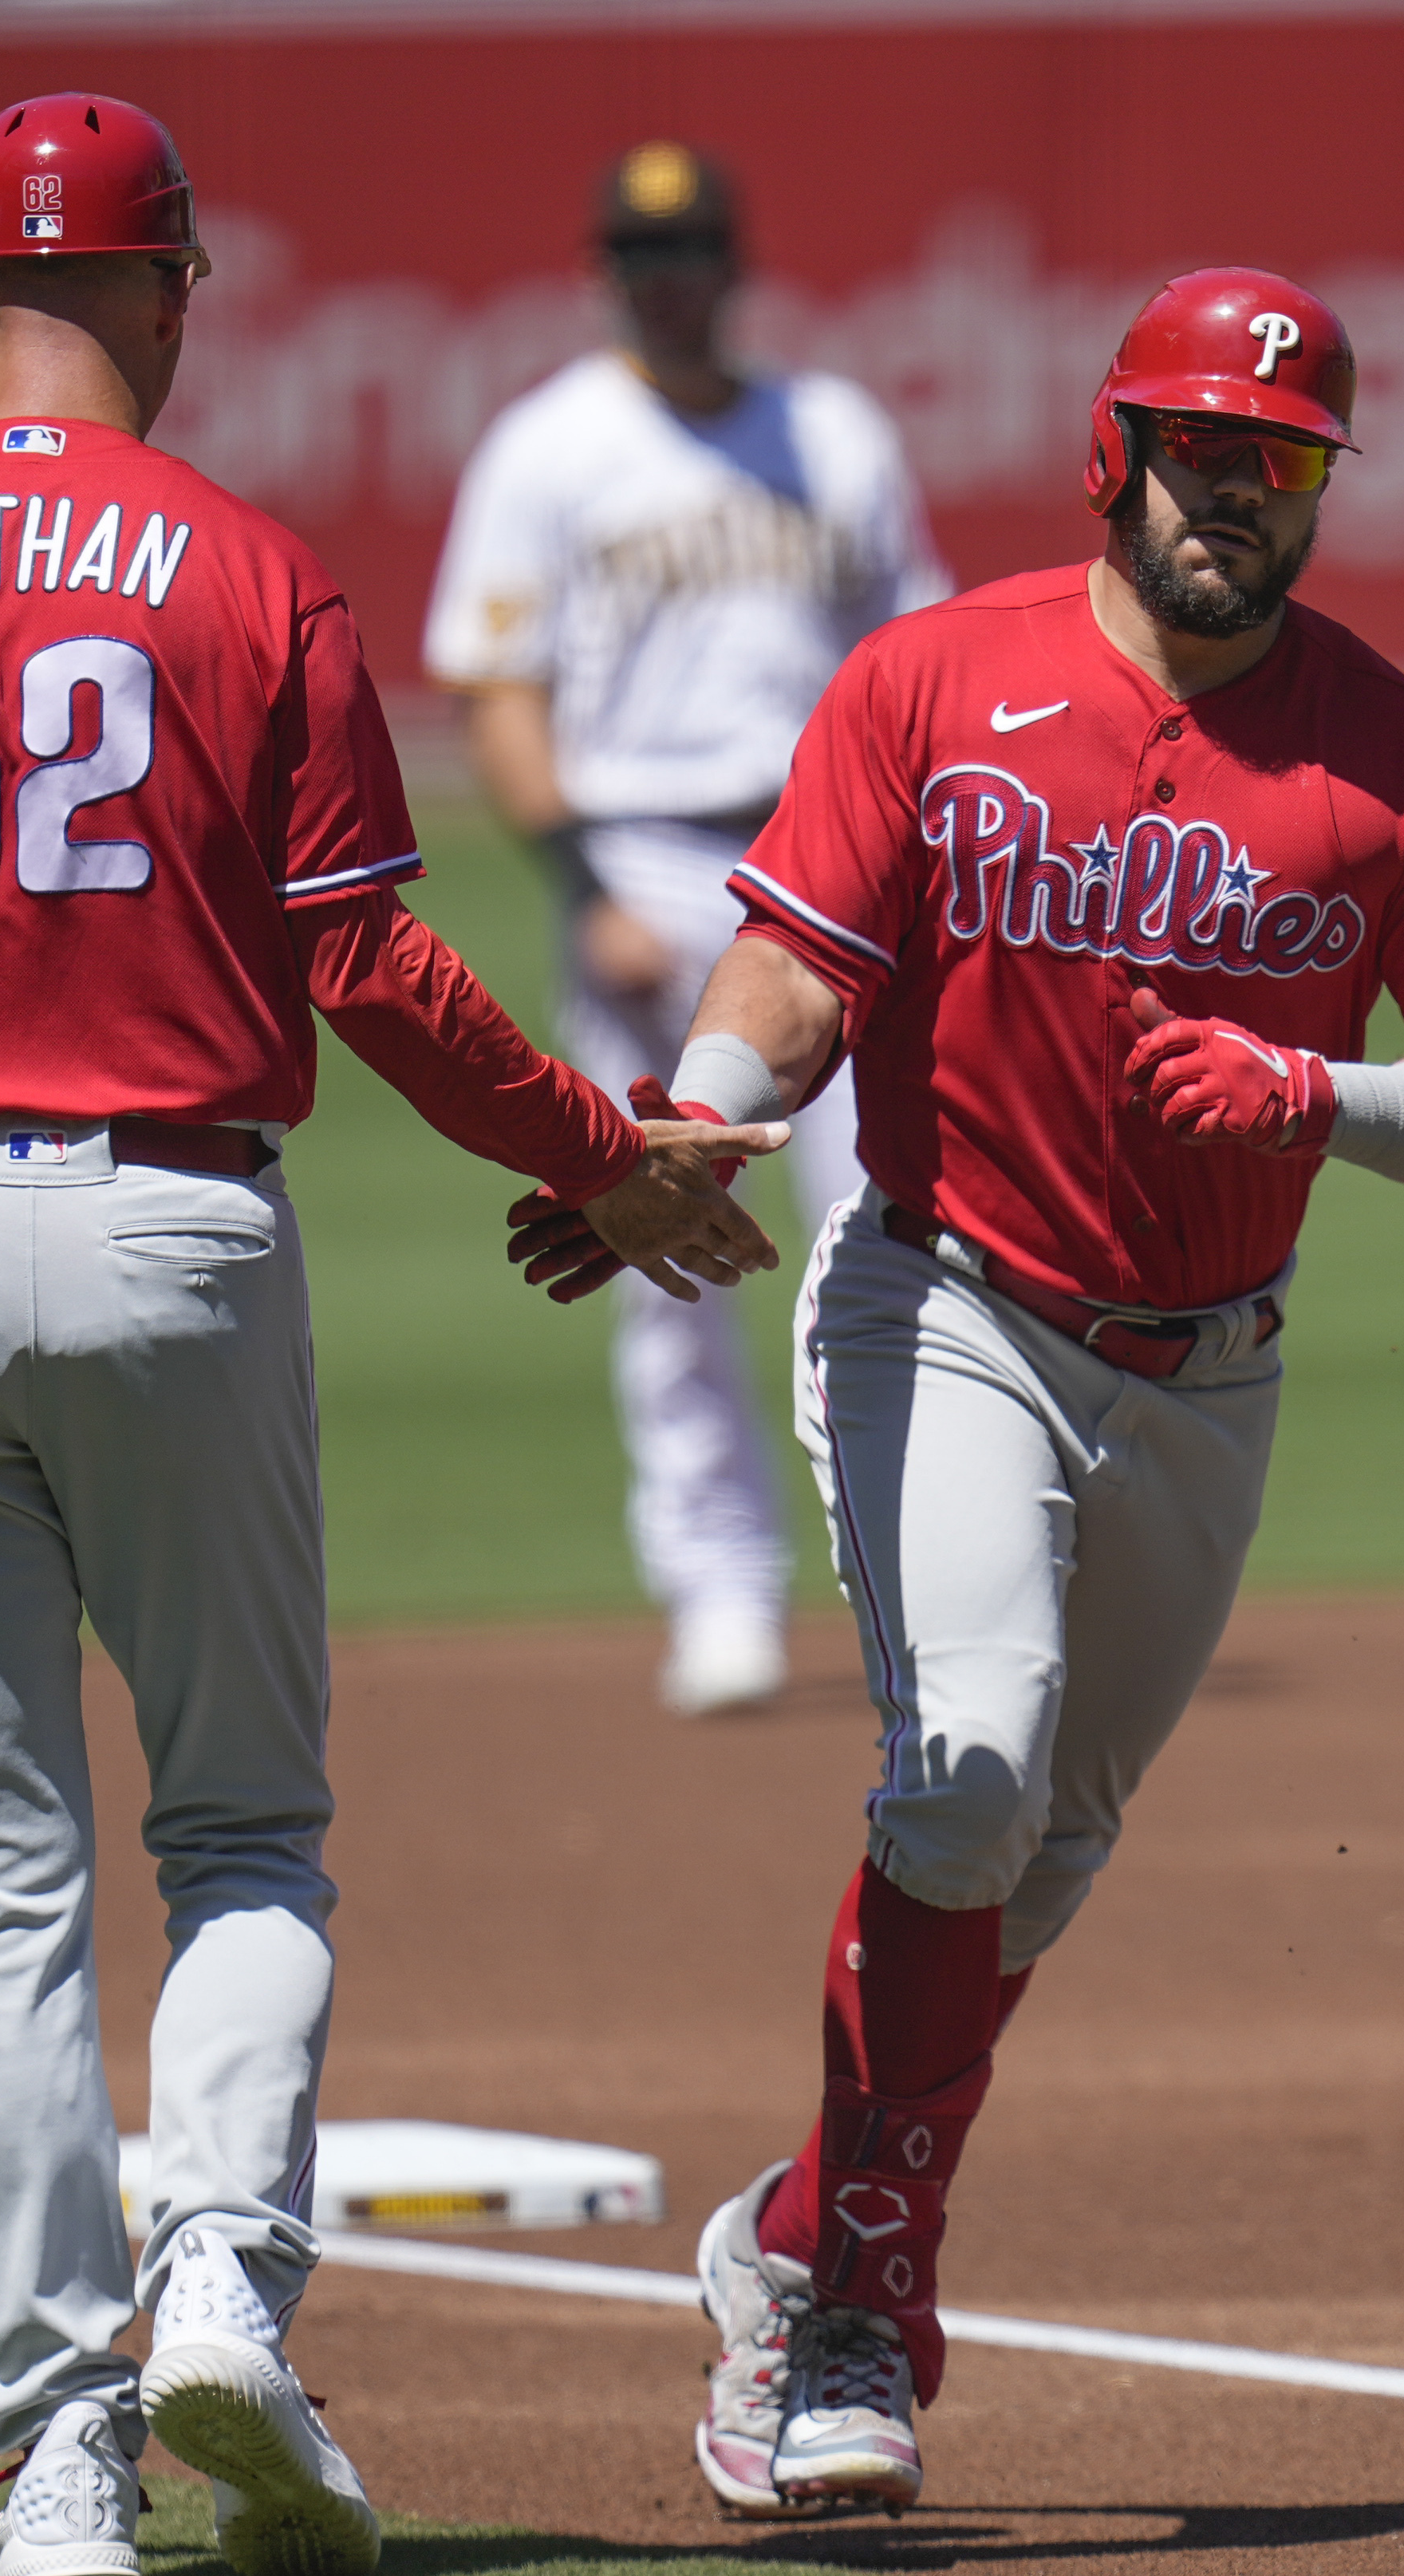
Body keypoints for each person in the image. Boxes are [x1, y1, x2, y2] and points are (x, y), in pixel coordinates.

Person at [0, 93, 780, 2576]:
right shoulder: (244, 568)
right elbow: (367, 963)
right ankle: (227, 2276)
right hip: (171, 1233)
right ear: (170, 296)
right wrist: (599, 1151)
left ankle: (58, 2445)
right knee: (238, 1826)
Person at [513, 267, 1404, 2517]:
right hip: (948, 1300)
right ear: (1110, 453)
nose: (1237, 492)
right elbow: (795, 959)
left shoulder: (1387, 745)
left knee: (1040, 1858)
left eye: (1281, 461)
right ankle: (855, 2320)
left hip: (1211, 1369)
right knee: (965, 1768)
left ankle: (790, 2221)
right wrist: (690, 1128)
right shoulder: (931, 678)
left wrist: (1316, 1094)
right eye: (1202, 450)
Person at [428, 140, 948, 1716]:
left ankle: (909, 1570)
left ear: (733, 261)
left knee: (885, 1229)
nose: (669, 276)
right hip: (643, 860)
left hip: (829, 867)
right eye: (641, 251)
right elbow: (499, 696)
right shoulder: (547, 449)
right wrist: (582, 889)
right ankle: (718, 1585)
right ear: (603, 269)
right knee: (659, 1243)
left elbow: (919, 665)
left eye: (693, 247)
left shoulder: (831, 432)